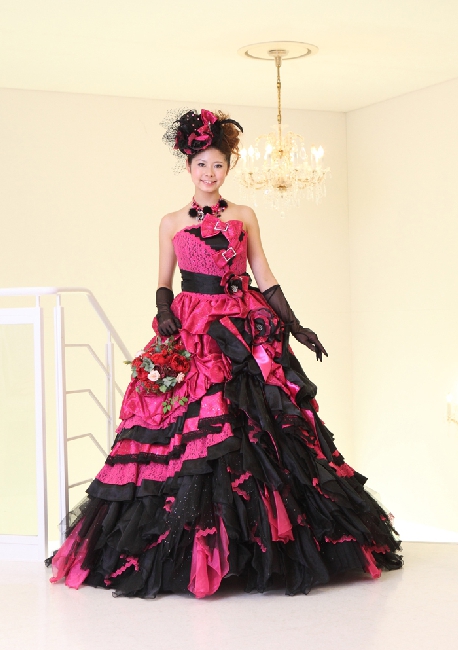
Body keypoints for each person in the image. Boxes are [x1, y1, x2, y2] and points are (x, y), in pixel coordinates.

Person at [48, 108, 402, 598]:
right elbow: (163, 281)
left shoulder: (244, 216)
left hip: (241, 324)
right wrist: (164, 311)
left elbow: (264, 274)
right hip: (193, 327)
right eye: (202, 165)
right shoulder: (170, 222)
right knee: (189, 429)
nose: (209, 173)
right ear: (188, 167)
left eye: (218, 165)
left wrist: (296, 325)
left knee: (257, 424)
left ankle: (260, 550)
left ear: (228, 168)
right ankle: (190, 552)